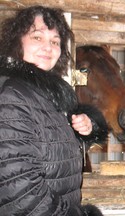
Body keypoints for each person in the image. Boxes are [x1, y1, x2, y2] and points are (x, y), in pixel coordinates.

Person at [0, 6, 108, 216]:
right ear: (17, 41)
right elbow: (20, 194)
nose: (48, 48)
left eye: (55, 41)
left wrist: (87, 125)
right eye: (37, 37)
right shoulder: (11, 95)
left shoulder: (47, 92)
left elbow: (53, 143)